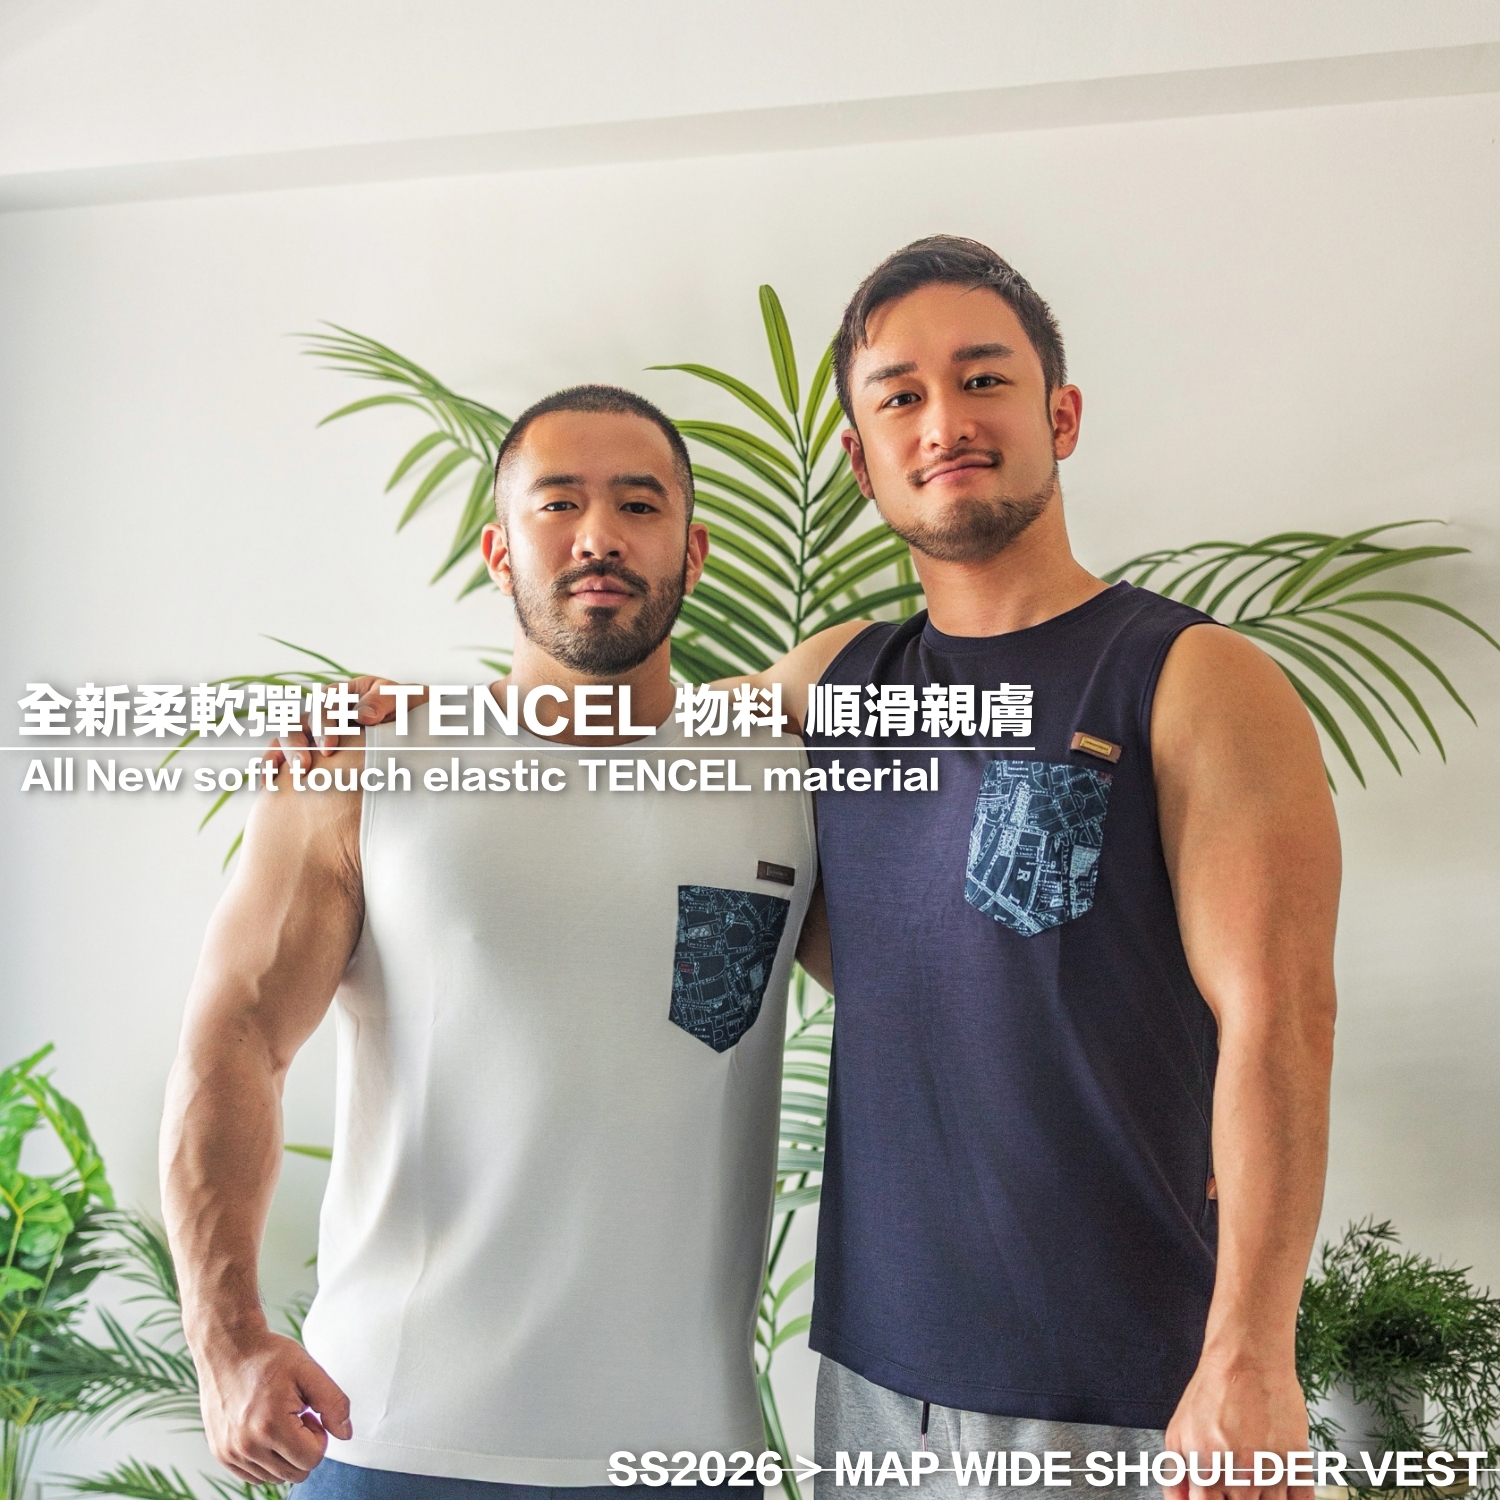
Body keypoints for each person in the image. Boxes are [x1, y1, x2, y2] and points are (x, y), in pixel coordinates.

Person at [329, 236, 1339, 1500]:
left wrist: (1252, 1348)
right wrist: (414, 724)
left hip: (1116, 1385)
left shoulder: (1190, 680)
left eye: (984, 380)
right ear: (862, 459)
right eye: (901, 397)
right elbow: (619, 728)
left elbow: (1283, 1018)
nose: (945, 423)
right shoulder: (838, 686)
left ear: (1062, 416)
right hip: (871, 1387)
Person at [159, 386, 818, 1496]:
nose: (599, 536)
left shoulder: (786, 773)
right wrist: (224, 1341)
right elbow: (234, 1040)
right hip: (393, 1438)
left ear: (694, 552)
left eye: (639, 505)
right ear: (499, 550)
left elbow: (950, 995)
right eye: (557, 503)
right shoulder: (366, 764)